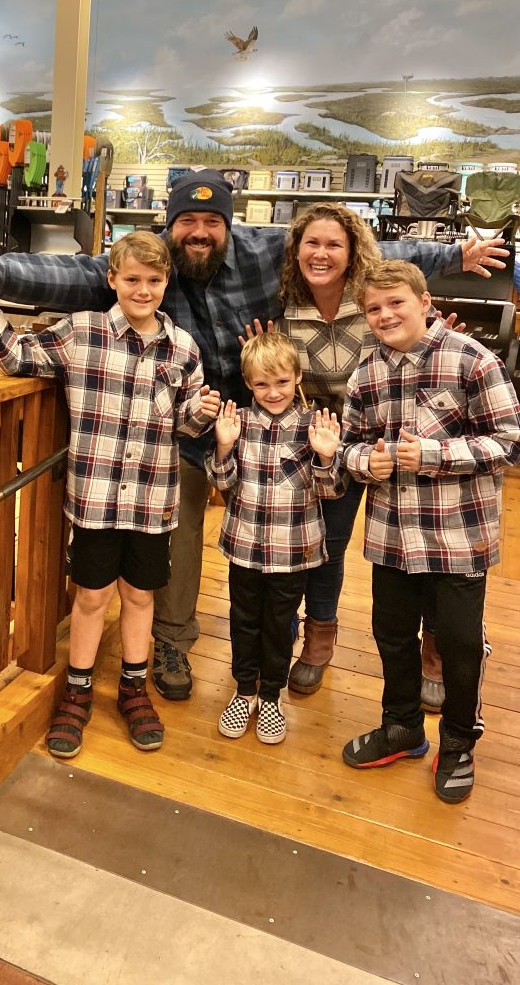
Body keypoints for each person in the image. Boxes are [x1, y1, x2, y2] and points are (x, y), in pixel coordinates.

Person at [0, 169, 509, 702]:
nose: (199, 232)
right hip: (185, 422)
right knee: (173, 536)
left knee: (292, 534)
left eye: (211, 221)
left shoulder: (265, 249)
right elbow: (75, 275)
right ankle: (173, 639)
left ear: (229, 225)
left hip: (272, 422)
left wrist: (456, 250)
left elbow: (365, 250)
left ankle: (298, 645)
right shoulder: (152, 266)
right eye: (188, 221)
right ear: (170, 226)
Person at [0, 231, 220, 758]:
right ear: (112, 279)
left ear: (166, 282)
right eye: (132, 279)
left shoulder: (184, 348)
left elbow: (187, 424)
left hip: (152, 501)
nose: (143, 290)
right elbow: (12, 357)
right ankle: (77, 691)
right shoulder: (82, 332)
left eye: (154, 280)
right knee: (92, 596)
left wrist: (201, 415)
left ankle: (132, 687)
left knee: (140, 596)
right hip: (96, 499)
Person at [339, 261, 520, 802]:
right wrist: (359, 463)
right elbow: (349, 443)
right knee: (391, 634)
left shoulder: (472, 360)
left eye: (396, 302)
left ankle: (459, 743)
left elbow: (509, 441)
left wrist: (437, 455)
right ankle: (402, 727)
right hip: (391, 534)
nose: (385, 315)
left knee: (460, 644)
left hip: (459, 538)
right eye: (373, 308)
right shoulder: (365, 373)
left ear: (424, 301)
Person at [255, 203, 448, 704]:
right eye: (312, 244)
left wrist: (440, 338)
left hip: (398, 443)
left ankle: (438, 649)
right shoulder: (284, 306)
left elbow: (413, 333)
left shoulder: (372, 299)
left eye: (334, 244)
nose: (321, 254)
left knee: (422, 549)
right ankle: (319, 638)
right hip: (325, 447)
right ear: (296, 250)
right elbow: (277, 375)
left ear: (352, 250)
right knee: (327, 545)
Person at [207, 332, 342, 744]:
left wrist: (325, 456)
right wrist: (224, 447)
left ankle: (271, 695)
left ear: (297, 377)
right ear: (248, 383)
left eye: (282, 382)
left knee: (280, 622)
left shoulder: (312, 425)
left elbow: (331, 491)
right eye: (262, 384)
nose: (273, 392)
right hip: (244, 545)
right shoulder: (239, 424)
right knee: (243, 620)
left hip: (293, 550)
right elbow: (222, 483)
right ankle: (244, 689)